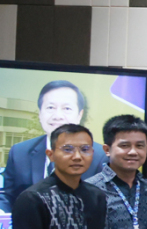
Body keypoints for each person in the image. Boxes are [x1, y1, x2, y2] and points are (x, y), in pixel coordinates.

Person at [1, 79, 108, 213]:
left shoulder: (100, 156)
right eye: (50, 108)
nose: (58, 116)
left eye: (66, 108)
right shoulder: (19, 152)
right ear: (40, 113)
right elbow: (7, 196)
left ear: (79, 115)